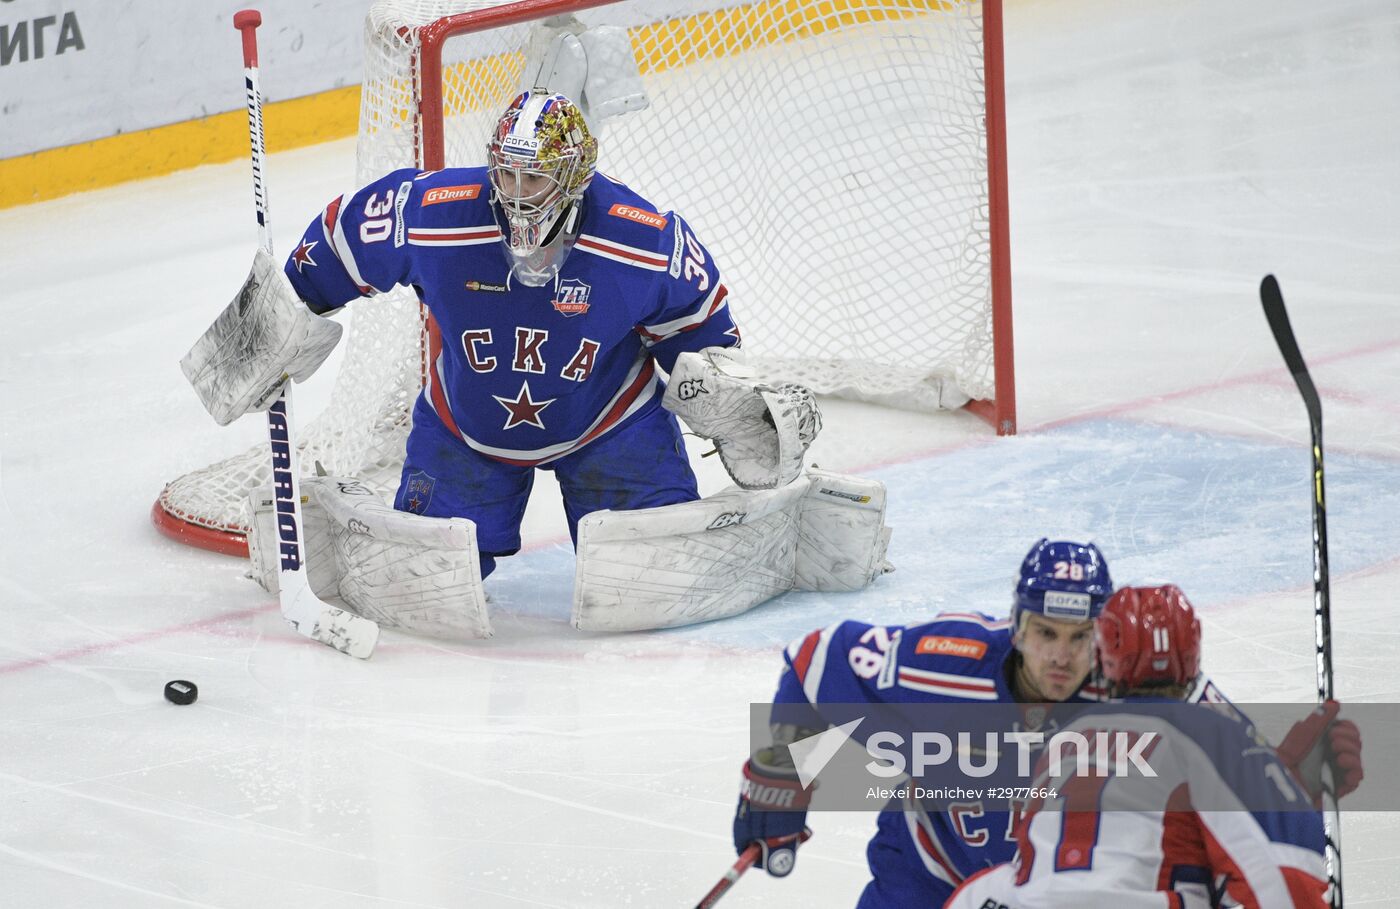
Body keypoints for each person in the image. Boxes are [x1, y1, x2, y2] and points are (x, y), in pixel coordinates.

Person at [181, 90, 848, 631]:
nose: (518, 191)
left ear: (576, 178)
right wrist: (274, 318)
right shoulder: (434, 214)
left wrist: (729, 402)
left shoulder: (646, 243)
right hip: (467, 432)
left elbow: (705, 342)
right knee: (423, 589)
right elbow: (342, 237)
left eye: (537, 175)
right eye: (507, 170)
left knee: (653, 580)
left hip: (610, 428)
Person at [731, 540, 1363, 907]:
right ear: (1017, 624)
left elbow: (1243, 779)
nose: (1061, 657)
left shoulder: (1147, 700)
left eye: (1081, 636)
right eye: (1044, 633)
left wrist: (1293, 778)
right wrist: (781, 777)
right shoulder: (939, 665)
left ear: (1107, 635)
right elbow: (816, 663)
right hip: (924, 877)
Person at [942, 584, 1350, 908]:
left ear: (1103, 658)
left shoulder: (1063, 740)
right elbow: (1281, 869)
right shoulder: (1212, 733)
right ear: (1192, 655)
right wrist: (1295, 789)